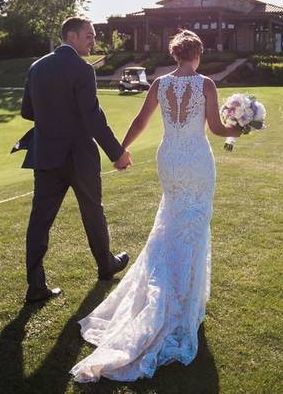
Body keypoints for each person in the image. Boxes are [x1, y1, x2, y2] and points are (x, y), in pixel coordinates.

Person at [70, 30, 243, 383]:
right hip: (196, 161)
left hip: (170, 160)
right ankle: (184, 304)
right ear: (199, 53)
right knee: (193, 226)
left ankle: (164, 289)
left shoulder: (160, 84)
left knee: (171, 223)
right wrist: (240, 129)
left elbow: (140, 121)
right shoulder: (206, 84)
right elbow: (214, 127)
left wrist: (120, 150)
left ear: (175, 53)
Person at [18, 17, 133, 304]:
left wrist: (53, 118)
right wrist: (117, 154)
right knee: (93, 211)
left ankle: (35, 285)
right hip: (79, 156)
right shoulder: (82, 70)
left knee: (39, 221)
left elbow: (27, 112)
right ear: (71, 36)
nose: (93, 41)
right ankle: (105, 266)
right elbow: (92, 118)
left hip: (45, 154)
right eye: (89, 36)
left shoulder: (37, 67)